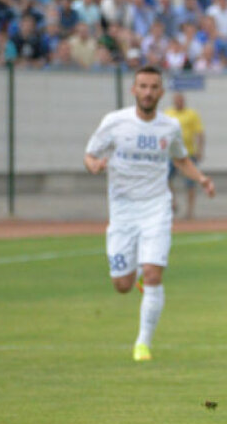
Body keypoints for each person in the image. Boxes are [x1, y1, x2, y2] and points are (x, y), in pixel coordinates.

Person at [83, 67, 216, 362]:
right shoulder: (115, 122)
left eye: (153, 87)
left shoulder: (169, 127)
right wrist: (94, 166)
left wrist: (202, 178)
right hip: (122, 211)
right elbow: (90, 154)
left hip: (156, 207)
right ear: (134, 90)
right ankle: (138, 277)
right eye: (142, 86)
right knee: (122, 285)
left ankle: (142, 344)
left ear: (161, 92)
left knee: (154, 273)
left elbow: (181, 159)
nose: (147, 92)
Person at [165, 91, 206, 219]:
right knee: (165, 179)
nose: (178, 102)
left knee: (190, 183)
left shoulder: (191, 114)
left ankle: (190, 211)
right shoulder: (168, 114)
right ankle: (173, 202)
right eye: (176, 100)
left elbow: (199, 133)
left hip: (188, 154)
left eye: (180, 100)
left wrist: (200, 150)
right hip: (172, 155)